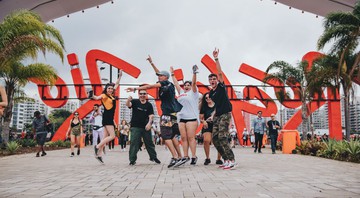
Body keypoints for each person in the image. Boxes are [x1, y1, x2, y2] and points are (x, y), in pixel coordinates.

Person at [126, 55, 183, 168]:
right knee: (172, 137)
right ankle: (180, 157)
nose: (158, 77)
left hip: (167, 115)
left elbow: (150, 86)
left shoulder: (165, 83)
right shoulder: (166, 83)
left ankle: (175, 158)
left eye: (160, 76)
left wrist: (136, 89)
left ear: (165, 77)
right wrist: (152, 63)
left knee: (166, 137)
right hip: (173, 114)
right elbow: (158, 73)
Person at [208, 48, 236, 170]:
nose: (213, 80)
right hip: (218, 115)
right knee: (214, 139)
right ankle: (226, 159)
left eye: (214, 79)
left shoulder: (220, 87)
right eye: (211, 79)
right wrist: (212, 115)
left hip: (225, 114)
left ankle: (232, 160)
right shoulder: (211, 93)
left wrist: (216, 58)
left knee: (222, 137)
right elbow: (217, 105)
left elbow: (219, 73)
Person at [170, 65, 199, 166]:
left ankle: (194, 156)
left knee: (191, 137)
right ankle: (185, 156)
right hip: (181, 118)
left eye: (188, 85)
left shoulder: (194, 93)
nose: (186, 86)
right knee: (183, 138)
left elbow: (194, 83)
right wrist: (172, 74)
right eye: (185, 85)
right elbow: (176, 83)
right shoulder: (181, 92)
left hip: (192, 118)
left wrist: (194, 73)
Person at [91, 70, 122, 164]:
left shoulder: (112, 96)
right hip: (107, 118)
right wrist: (92, 95)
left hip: (109, 117)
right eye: (109, 88)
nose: (110, 90)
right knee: (112, 136)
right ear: (106, 89)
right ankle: (97, 147)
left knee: (105, 137)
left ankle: (99, 155)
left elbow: (116, 84)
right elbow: (96, 98)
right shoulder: (104, 95)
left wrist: (120, 76)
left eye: (111, 89)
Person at [126, 89, 161, 165]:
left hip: (145, 127)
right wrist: (128, 100)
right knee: (134, 143)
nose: (142, 95)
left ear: (146, 95)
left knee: (149, 143)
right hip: (135, 126)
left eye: (144, 94)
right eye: (141, 94)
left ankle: (153, 157)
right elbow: (128, 105)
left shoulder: (149, 105)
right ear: (139, 95)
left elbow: (151, 116)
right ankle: (132, 160)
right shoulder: (135, 102)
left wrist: (149, 124)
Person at [199, 92, 223, 165]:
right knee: (206, 140)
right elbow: (200, 118)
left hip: (217, 125)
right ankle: (207, 158)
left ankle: (219, 159)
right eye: (206, 98)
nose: (208, 99)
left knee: (219, 141)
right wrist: (203, 122)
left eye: (209, 97)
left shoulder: (217, 105)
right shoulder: (203, 107)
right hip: (207, 125)